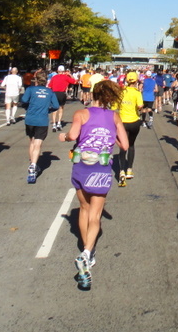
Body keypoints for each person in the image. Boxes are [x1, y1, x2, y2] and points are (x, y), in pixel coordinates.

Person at [58, 80, 129, 291]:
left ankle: (86, 251)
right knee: (96, 215)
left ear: (93, 94)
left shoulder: (81, 113)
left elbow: (72, 135)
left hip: (81, 165)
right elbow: (125, 145)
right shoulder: (114, 117)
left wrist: (64, 137)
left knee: (84, 209)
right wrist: (113, 137)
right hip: (101, 167)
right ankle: (87, 253)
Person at [19, 71, 59, 183]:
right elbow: (56, 106)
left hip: (30, 119)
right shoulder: (50, 92)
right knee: (38, 144)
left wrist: (29, 107)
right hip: (42, 120)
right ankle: (33, 165)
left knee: (32, 141)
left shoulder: (30, 90)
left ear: (36, 80)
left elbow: (24, 100)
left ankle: (32, 163)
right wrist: (48, 110)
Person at [116, 71, 143, 186]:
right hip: (134, 122)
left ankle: (121, 170)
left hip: (122, 122)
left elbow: (115, 106)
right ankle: (129, 170)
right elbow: (140, 106)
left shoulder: (121, 92)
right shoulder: (137, 93)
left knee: (123, 146)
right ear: (136, 81)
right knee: (131, 145)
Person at [48, 65, 75, 131]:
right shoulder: (65, 77)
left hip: (54, 93)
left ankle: (54, 124)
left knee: (54, 109)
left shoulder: (54, 77)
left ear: (57, 71)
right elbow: (74, 81)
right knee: (61, 108)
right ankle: (59, 123)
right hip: (62, 93)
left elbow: (49, 86)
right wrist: (70, 75)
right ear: (63, 71)